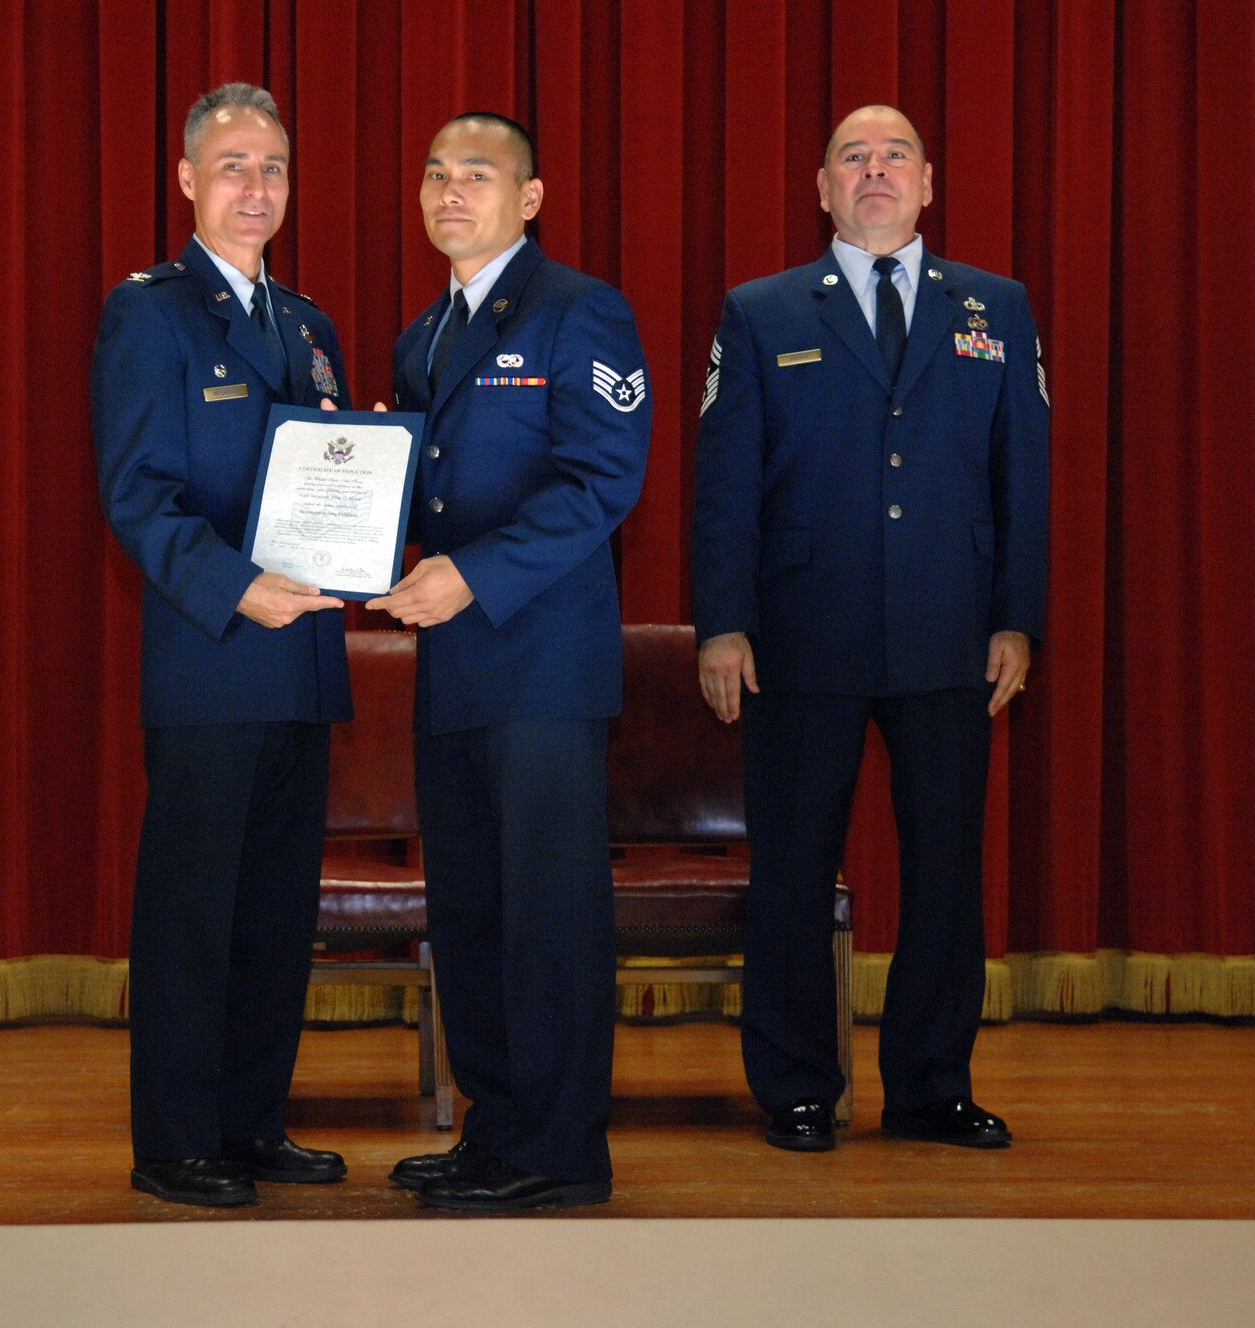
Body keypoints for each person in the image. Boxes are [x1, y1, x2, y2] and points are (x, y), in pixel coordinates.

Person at [690, 105, 1048, 1152]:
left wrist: (1015, 619)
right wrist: (723, 624)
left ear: (928, 184)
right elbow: (723, 491)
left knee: (945, 868)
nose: (875, 171)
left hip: (950, 633)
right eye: (854, 157)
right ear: (821, 187)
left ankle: (932, 1084)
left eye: (895, 157)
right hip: (802, 634)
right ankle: (797, 1084)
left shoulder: (994, 307)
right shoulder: (759, 312)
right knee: (793, 868)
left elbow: (1021, 477)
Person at [368, 112, 652, 1211]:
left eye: (475, 175)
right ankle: (494, 1127)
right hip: (453, 670)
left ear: (527, 198)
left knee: (549, 912)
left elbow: (600, 479)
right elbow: (409, 493)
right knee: (474, 910)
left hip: (541, 667)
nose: (448, 191)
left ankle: (561, 1145)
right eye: (433, 173)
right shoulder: (422, 336)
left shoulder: (580, 311)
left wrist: (471, 575)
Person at [91, 82, 354, 1207]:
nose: (258, 188)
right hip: (210, 657)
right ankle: (174, 1138)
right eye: (236, 166)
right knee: (194, 910)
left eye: (275, 168)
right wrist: (239, 587)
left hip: (302, 667)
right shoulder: (147, 313)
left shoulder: (307, 324)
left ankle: (251, 1120)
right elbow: (137, 495)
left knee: (274, 910)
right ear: (189, 181)